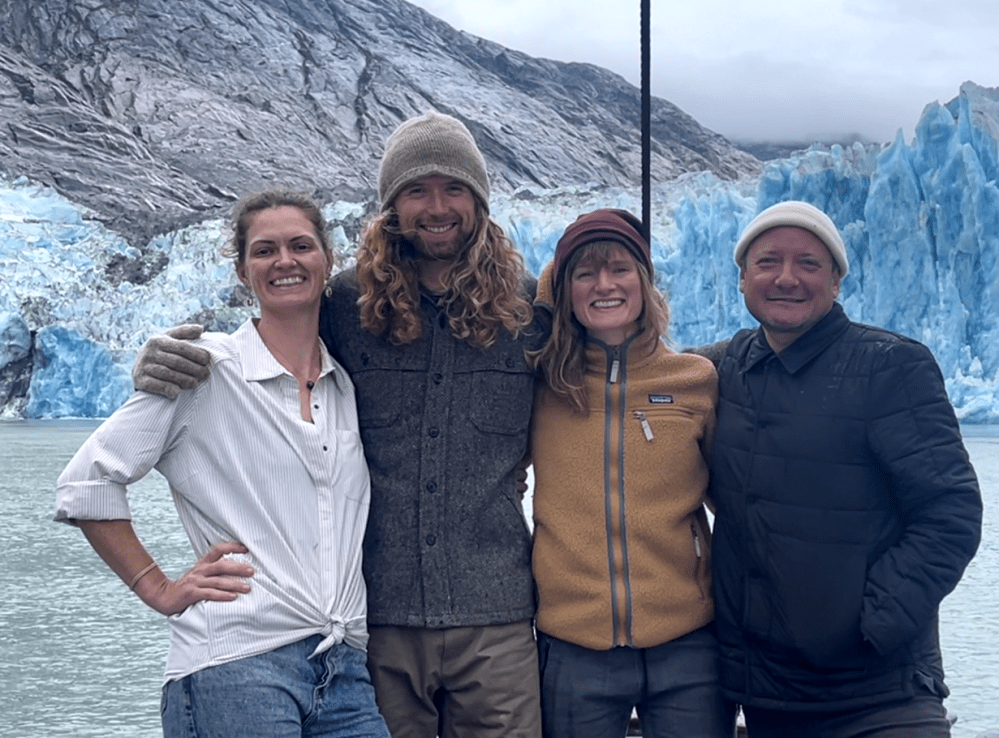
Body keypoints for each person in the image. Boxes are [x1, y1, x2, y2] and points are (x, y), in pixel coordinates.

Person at [133, 111, 545, 738]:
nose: (436, 207)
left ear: (480, 201)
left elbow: (624, 360)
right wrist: (156, 360)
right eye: (416, 190)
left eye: (454, 188)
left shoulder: (531, 313)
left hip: (497, 619)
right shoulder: (344, 309)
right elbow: (262, 342)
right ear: (391, 206)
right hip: (372, 626)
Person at [55, 191, 390, 738]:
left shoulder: (344, 387)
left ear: (328, 260)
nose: (285, 261)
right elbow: (88, 480)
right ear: (242, 270)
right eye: (265, 251)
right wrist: (157, 587)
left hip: (343, 671)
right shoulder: (204, 369)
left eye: (301, 245)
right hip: (236, 667)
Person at [708, 200, 982, 737]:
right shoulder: (724, 368)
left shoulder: (890, 365)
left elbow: (951, 511)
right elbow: (638, 368)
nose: (787, 278)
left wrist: (873, 623)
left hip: (882, 694)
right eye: (767, 262)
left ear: (836, 281)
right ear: (742, 279)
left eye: (809, 263)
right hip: (770, 696)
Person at [528, 209, 734, 738]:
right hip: (574, 645)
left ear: (644, 281)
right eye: (584, 273)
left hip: (687, 643)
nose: (604, 285)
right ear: (564, 287)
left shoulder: (694, 380)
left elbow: (733, 499)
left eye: (619, 269)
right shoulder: (542, 384)